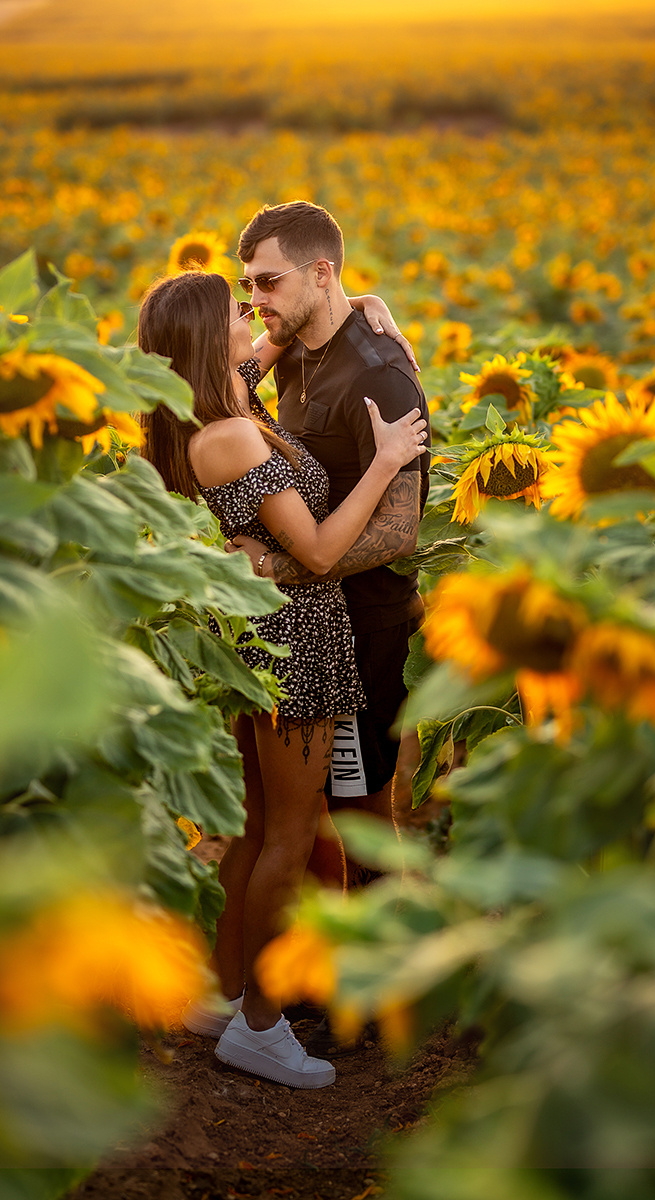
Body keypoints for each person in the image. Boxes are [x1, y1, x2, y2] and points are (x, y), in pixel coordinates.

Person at [137, 269, 427, 1089]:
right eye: (237, 309)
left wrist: (373, 310)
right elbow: (323, 552)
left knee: (261, 829)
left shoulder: (219, 406)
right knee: (290, 835)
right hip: (291, 646)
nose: (252, 314)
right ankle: (261, 1025)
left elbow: (274, 338)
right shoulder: (229, 435)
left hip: (262, 639)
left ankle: (227, 992)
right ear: (205, 339)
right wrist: (389, 459)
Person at [228, 202, 431, 1056]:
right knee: (310, 815)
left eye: (268, 283)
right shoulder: (298, 354)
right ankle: (332, 973)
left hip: (366, 623)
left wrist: (285, 565)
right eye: (246, 288)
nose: (255, 302)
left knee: (364, 807)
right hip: (310, 629)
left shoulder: (378, 376)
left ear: (320, 272)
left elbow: (400, 531)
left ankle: (394, 996)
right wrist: (271, 334)